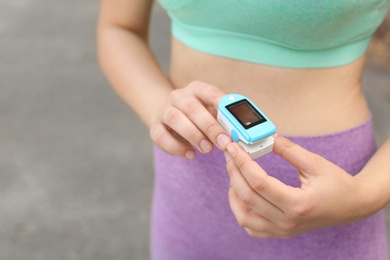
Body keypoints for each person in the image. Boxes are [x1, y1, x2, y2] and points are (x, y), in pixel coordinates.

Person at [97, 1, 390, 259]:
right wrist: (160, 107)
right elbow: (119, 28)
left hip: (333, 206)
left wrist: (364, 196)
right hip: (187, 199)